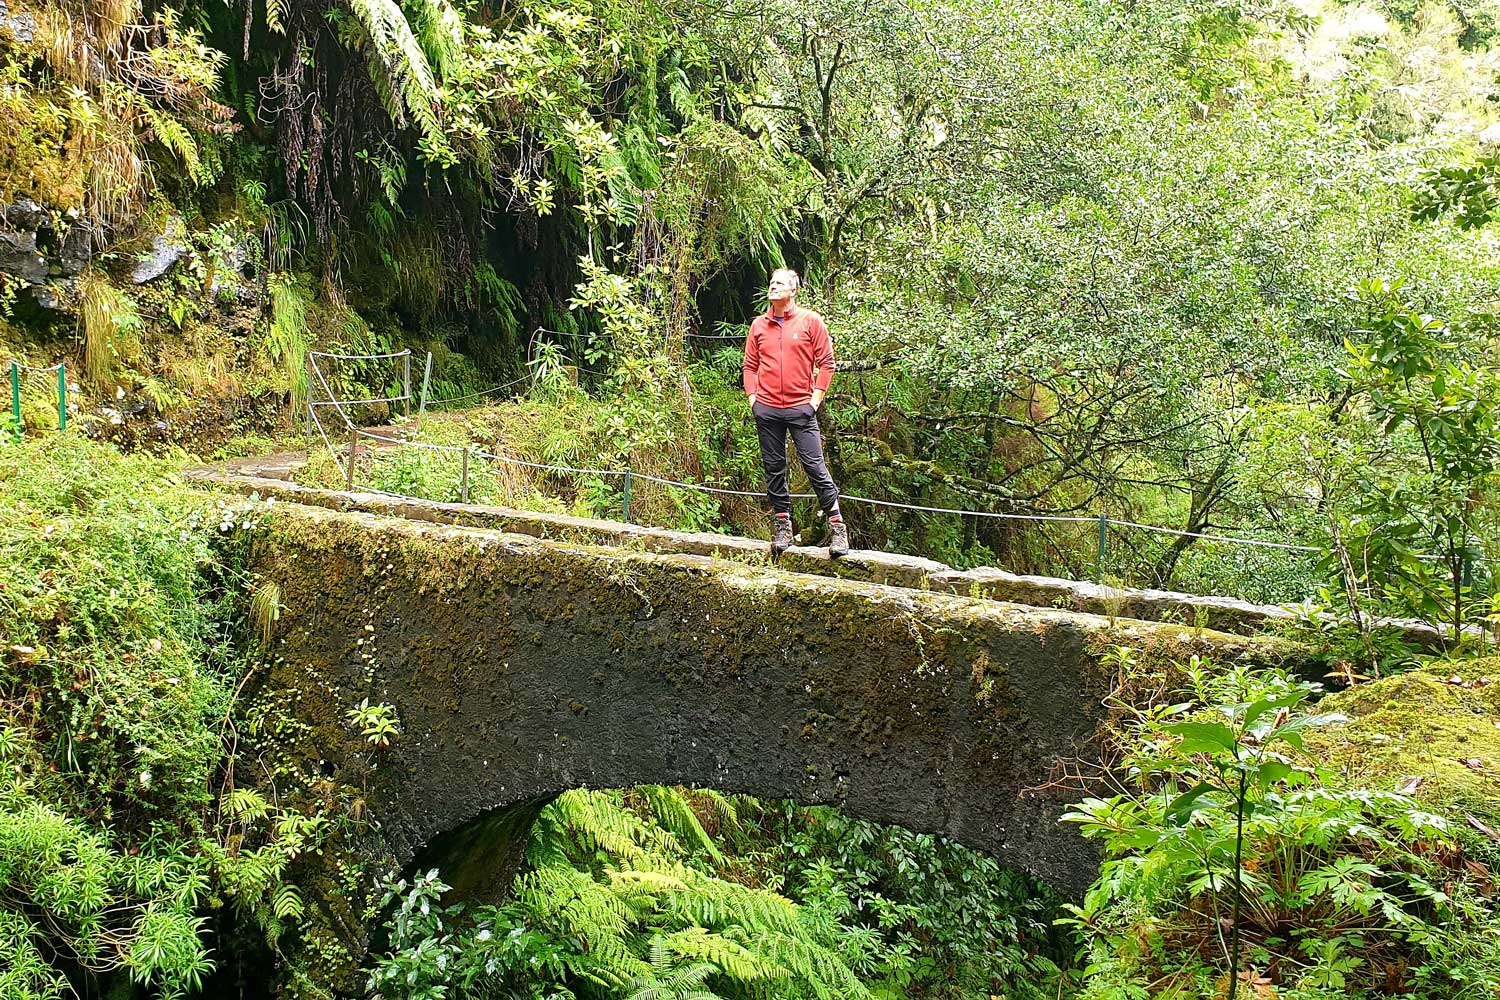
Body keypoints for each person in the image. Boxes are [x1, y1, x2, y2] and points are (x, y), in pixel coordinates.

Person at [742, 268, 849, 558]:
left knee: (815, 467)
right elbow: (749, 366)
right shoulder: (758, 326)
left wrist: (814, 401)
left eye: (779, 283)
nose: (773, 287)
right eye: (771, 283)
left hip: (801, 408)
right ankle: (782, 527)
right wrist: (754, 399)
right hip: (767, 409)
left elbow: (827, 363)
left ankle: (837, 527)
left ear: (793, 290)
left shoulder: (810, 321)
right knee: (774, 469)